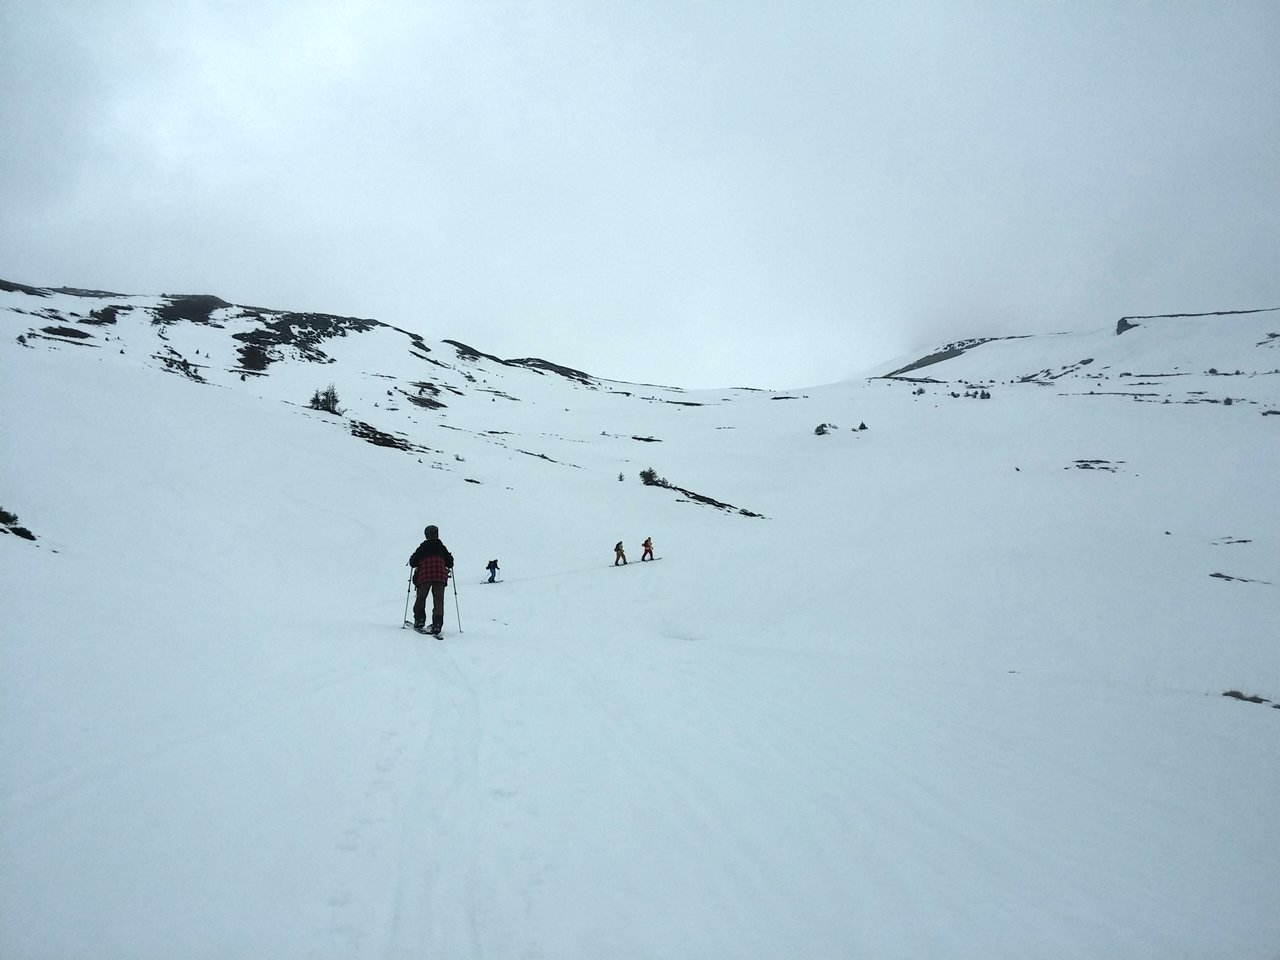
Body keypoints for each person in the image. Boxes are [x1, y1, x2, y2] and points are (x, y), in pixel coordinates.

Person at [408, 524, 454, 635]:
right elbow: (450, 563)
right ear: (437, 534)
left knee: (421, 597)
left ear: (426, 535)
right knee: (438, 601)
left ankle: (419, 620)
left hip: (425, 576)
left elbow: (413, 562)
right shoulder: (441, 547)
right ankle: (437, 625)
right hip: (440, 576)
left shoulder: (423, 547)